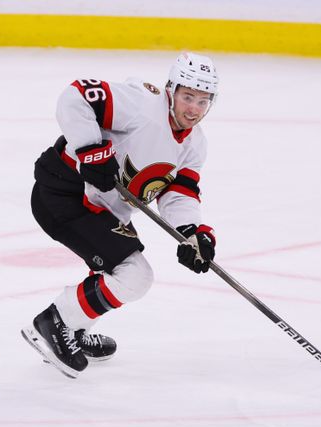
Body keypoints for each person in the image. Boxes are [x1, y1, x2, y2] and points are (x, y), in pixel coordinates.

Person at [21, 51, 220, 378]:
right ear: (171, 89)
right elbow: (75, 95)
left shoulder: (194, 145)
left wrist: (192, 232)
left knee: (118, 268)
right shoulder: (142, 104)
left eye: (203, 101)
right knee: (134, 274)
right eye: (188, 97)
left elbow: (179, 192)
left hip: (100, 207)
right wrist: (90, 150)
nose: (193, 109)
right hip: (64, 193)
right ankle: (54, 323)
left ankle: (74, 326)